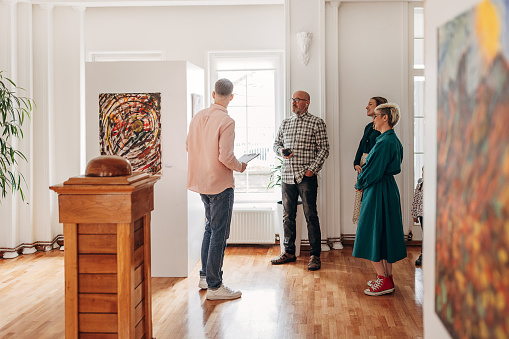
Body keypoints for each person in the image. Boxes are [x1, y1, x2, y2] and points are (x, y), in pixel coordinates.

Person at [186, 78, 247, 300]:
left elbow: (187, 146)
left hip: (201, 181)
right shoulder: (227, 120)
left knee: (210, 229)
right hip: (220, 183)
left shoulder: (198, 116)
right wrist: (240, 166)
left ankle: (204, 277)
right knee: (219, 233)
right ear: (231, 97)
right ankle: (215, 286)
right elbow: (226, 157)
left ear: (213, 94)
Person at [270, 90, 330, 271]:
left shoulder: (317, 122)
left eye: (298, 100)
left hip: (306, 177)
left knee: (311, 215)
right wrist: (281, 151)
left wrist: (313, 169)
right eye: (293, 100)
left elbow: (324, 149)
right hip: (287, 176)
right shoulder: (286, 122)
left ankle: (315, 255)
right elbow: (276, 144)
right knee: (288, 216)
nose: (294, 103)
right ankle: (288, 252)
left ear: (307, 102)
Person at [353, 103, 407, 296]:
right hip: (387, 188)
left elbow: (372, 170)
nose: (373, 119)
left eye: (376, 116)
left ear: (385, 118)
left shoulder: (384, 142)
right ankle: (387, 278)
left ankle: (383, 280)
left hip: (377, 190)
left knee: (371, 231)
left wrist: (360, 182)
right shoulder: (391, 140)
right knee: (384, 233)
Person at [352, 96, 388, 224]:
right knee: (361, 199)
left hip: (371, 168)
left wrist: (366, 167)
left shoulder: (382, 128)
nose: (367, 107)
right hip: (362, 167)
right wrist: (356, 163)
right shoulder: (368, 126)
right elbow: (361, 145)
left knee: (370, 200)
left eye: (370, 104)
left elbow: (377, 152)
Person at [412, 167, 424, 266]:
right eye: (423, 172)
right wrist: (414, 215)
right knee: (424, 235)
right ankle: (423, 254)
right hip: (421, 215)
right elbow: (416, 201)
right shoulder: (419, 185)